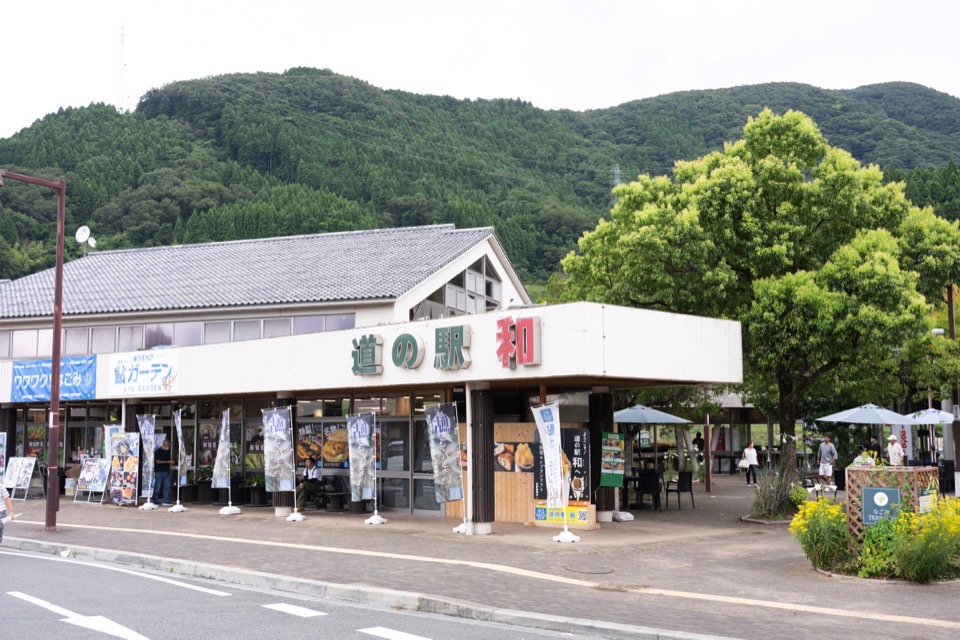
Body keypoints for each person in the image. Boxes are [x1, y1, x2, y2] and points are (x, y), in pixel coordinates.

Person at [153, 439, 172, 505]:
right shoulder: (158, 451)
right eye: (167, 445)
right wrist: (167, 462)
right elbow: (157, 461)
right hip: (159, 471)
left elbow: (168, 460)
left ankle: (166, 500)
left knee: (167, 485)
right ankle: (155, 500)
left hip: (166, 470)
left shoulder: (168, 451)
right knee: (157, 486)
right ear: (164, 444)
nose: (168, 447)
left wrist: (170, 462)